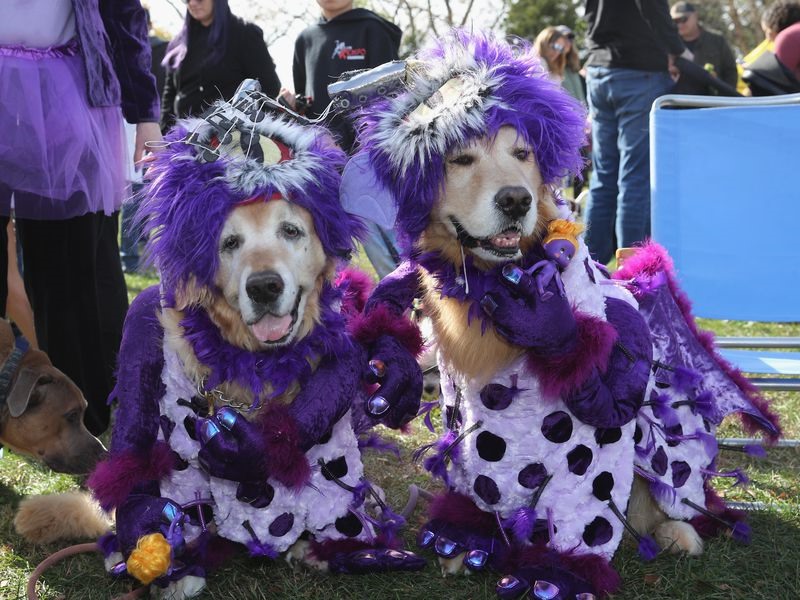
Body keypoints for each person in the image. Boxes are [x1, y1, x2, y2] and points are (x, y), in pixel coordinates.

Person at [0, 0, 161, 435]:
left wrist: (145, 113)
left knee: (71, 274)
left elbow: (123, 17)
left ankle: (89, 411)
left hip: (64, 99)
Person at [282, 0, 403, 278]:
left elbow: (393, 101)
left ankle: (420, 312)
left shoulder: (373, 29)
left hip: (372, 167)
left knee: (395, 261)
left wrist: (367, 151)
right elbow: (306, 113)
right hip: (325, 171)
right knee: (333, 266)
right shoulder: (305, 40)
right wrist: (291, 105)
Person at [582, 0, 689, 265]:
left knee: (604, 175)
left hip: (599, 67)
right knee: (635, 177)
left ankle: (587, 268)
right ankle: (632, 273)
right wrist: (677, 50)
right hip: (637, 70)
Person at [160, 0, 281, 130]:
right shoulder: (179, 43)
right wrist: (166, 136)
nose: (193, 3)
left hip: (231, 137)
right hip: (183, 138)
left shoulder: (244, 33)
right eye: (187, 0)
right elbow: (169, 96)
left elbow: (269, 87)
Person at [120, 9, 167, 273]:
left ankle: (133, 257)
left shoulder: (156, 49)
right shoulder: (160, 49)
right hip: (144, 124)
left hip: (143, 124)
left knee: (139, 195)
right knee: (140, 196)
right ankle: (134, 256)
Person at [670, 2, 737, 95]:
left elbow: (730, 71)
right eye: (675, 21)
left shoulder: (717, 40)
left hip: (715, 100)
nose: (679, 25)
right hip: (683, 102)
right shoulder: (670, 46)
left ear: (695, 16)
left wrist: (726, 96)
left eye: (683, 19)